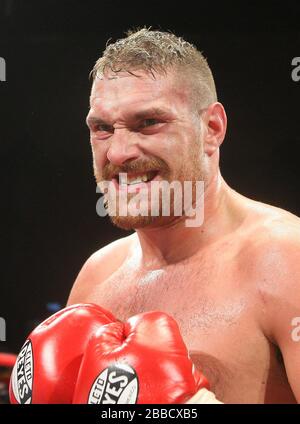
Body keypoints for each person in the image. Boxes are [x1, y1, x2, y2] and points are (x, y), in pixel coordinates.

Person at [12, 28, 300, 404]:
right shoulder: (97, 276)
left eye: (148, 123)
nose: (118, 153)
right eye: (102, 128)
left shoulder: (284, 261)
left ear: (211, 129)